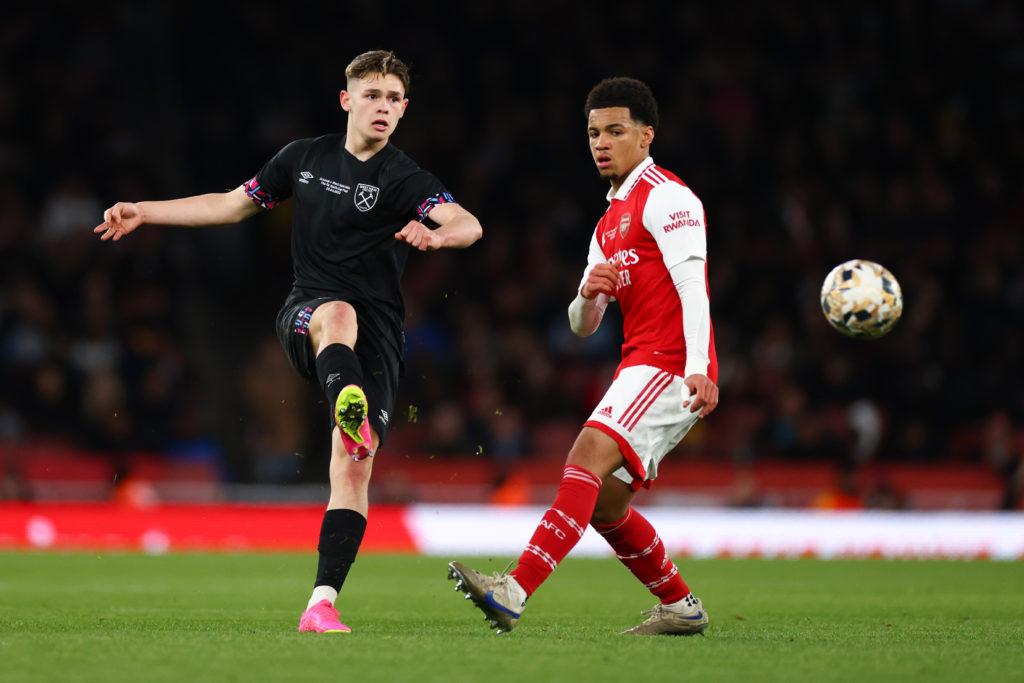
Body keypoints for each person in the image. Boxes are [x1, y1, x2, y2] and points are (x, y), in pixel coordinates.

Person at [95, 50, 483, 633]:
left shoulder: (405, 178)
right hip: (308, 312)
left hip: (376, 336)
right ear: (346, 99)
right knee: (337, 315)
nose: (382, 106)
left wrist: (437, 236)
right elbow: (230, 204)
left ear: (404, 110)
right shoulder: (303, 159)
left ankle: (321, 602)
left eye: (393, 99)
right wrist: (145, 212)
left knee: (354, 467)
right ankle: (346, 399)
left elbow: (467, 222)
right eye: (371, 94)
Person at [448, 77, 718, 636]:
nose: (602, 142)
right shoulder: (607, 221)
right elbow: (581, 325)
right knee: (607, 505)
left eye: (616, 131)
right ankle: (681, 606)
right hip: (639, 362)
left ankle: (514, 589)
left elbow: (694, 286)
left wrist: (698, 368)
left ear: (646, 136)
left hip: (668, 364)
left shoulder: (668, 196)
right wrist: (588, 294)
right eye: (594, 132)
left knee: (586, 454)